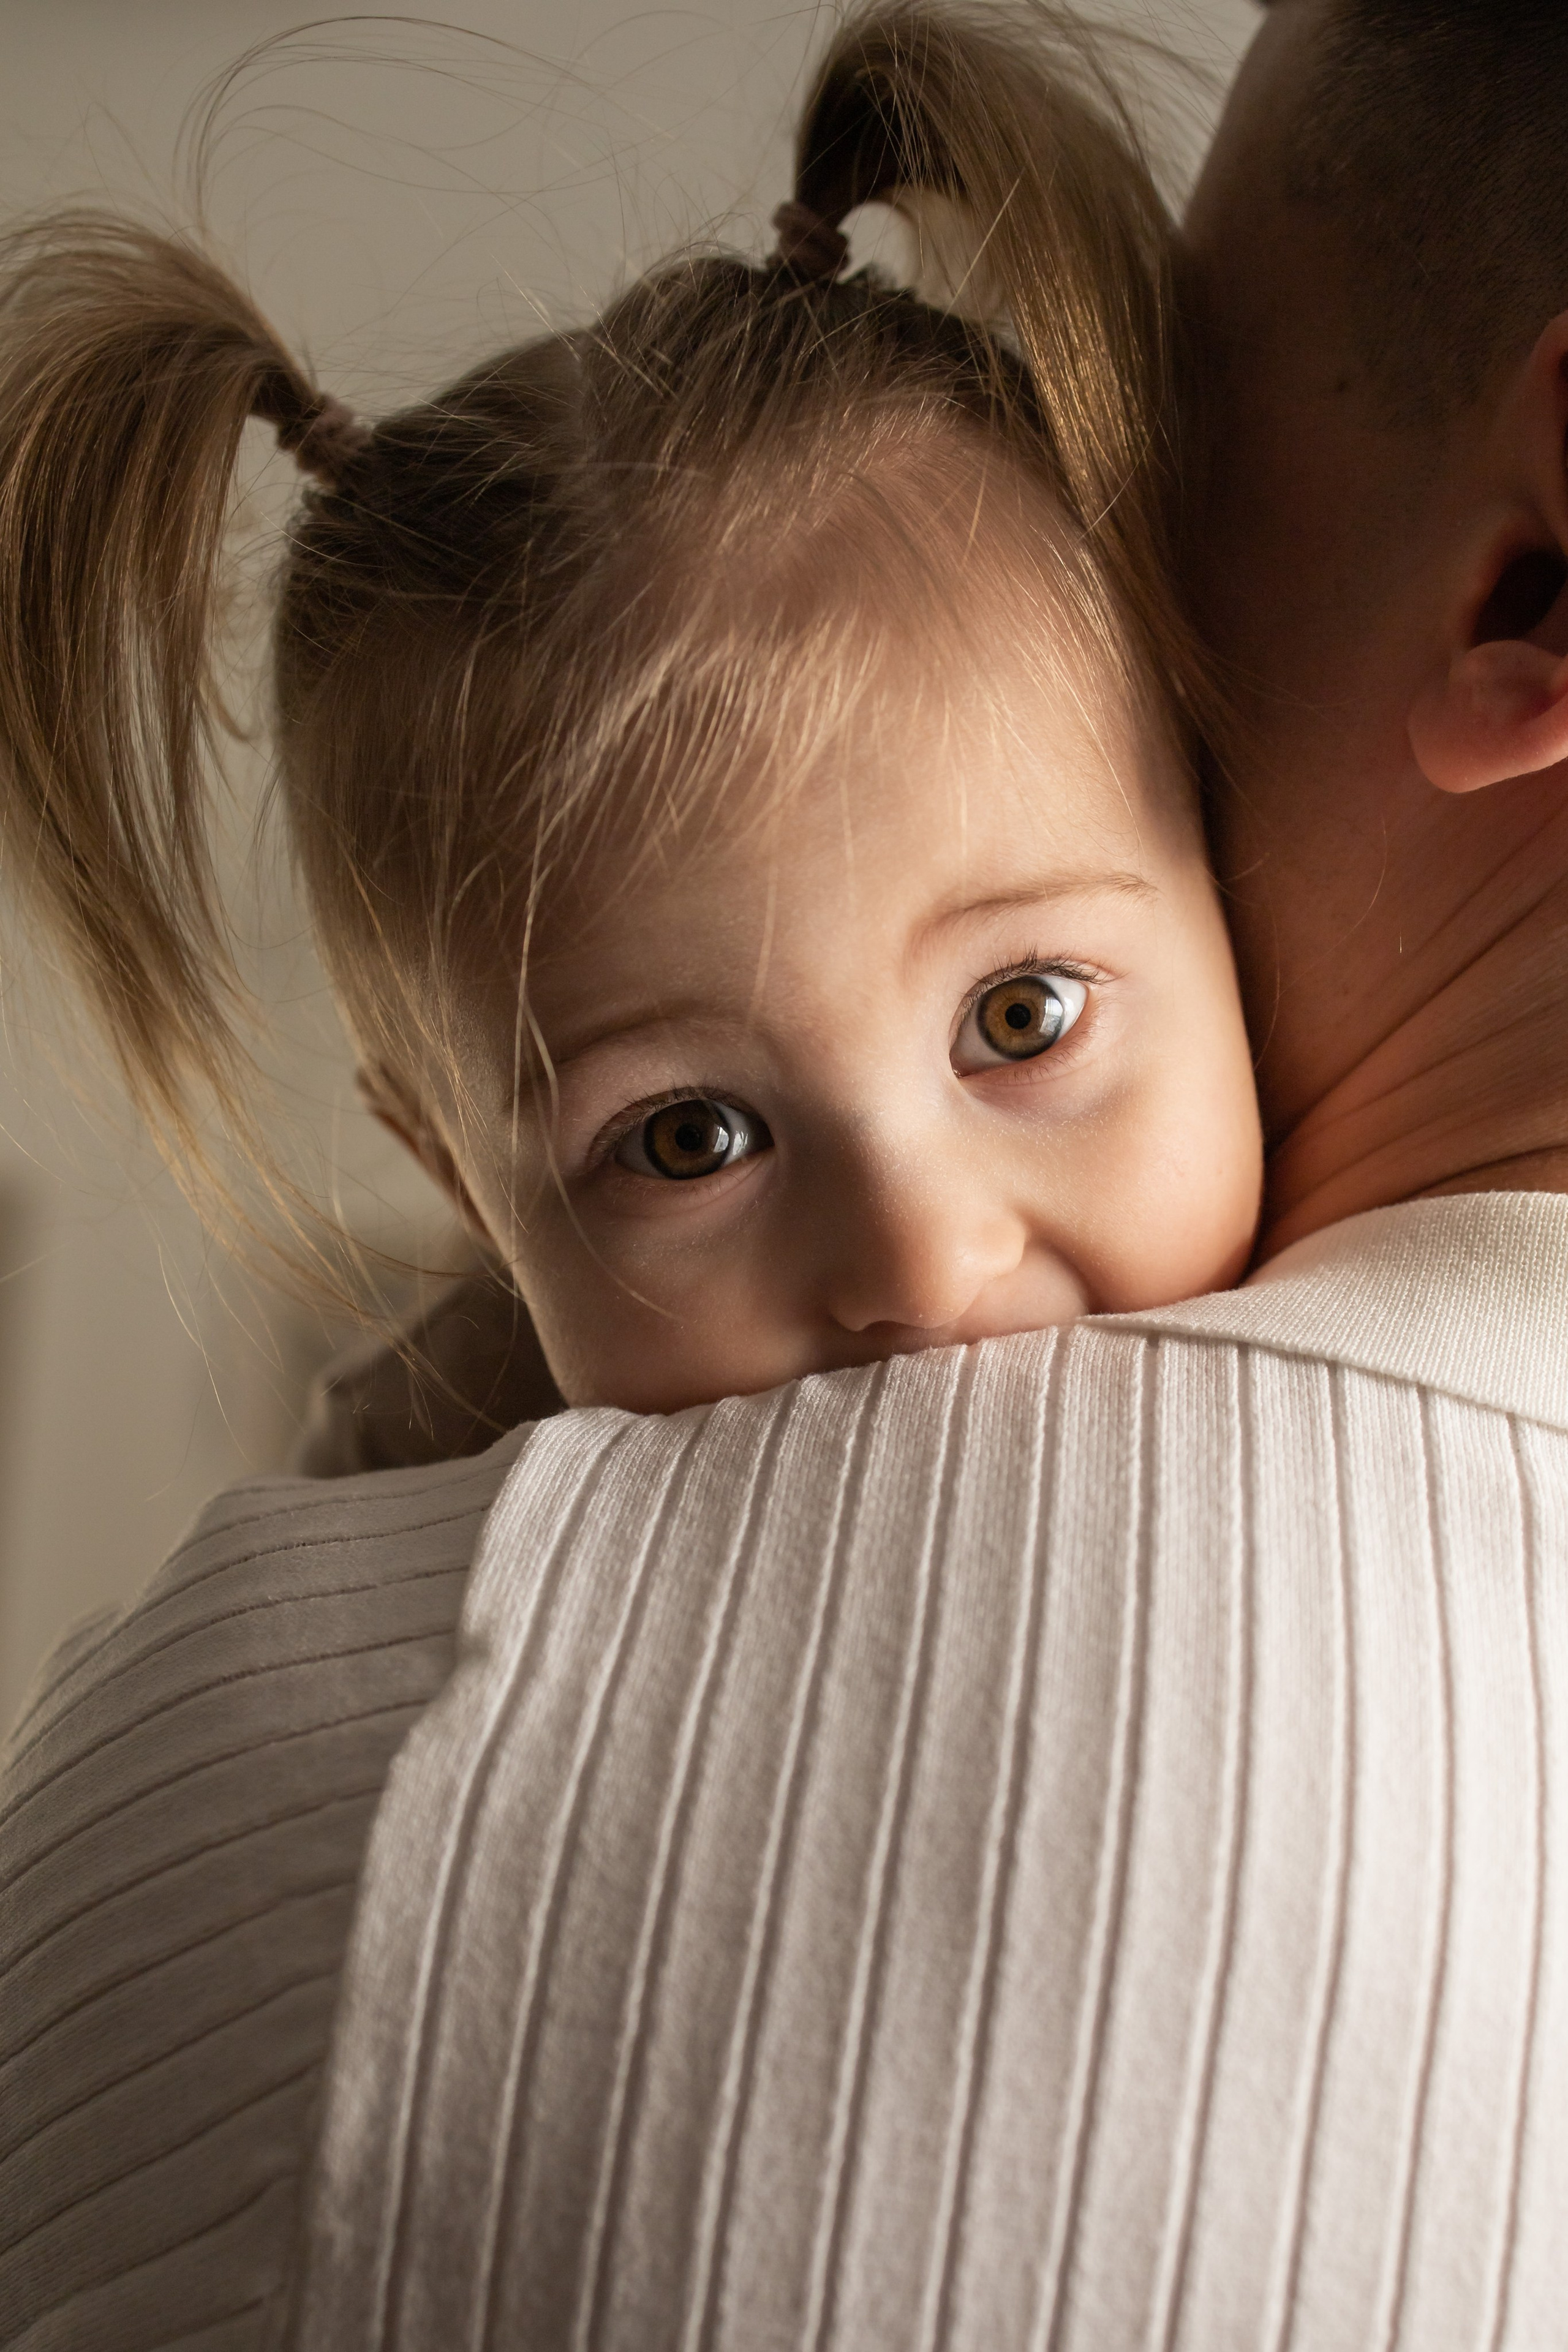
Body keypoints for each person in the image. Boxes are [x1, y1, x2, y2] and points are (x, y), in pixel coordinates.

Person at [5, 0, 1568, 2346]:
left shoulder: (278, 1775)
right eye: (690, 1139)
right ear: (460, 1171)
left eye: (1026, 1019)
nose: (928, 1267)